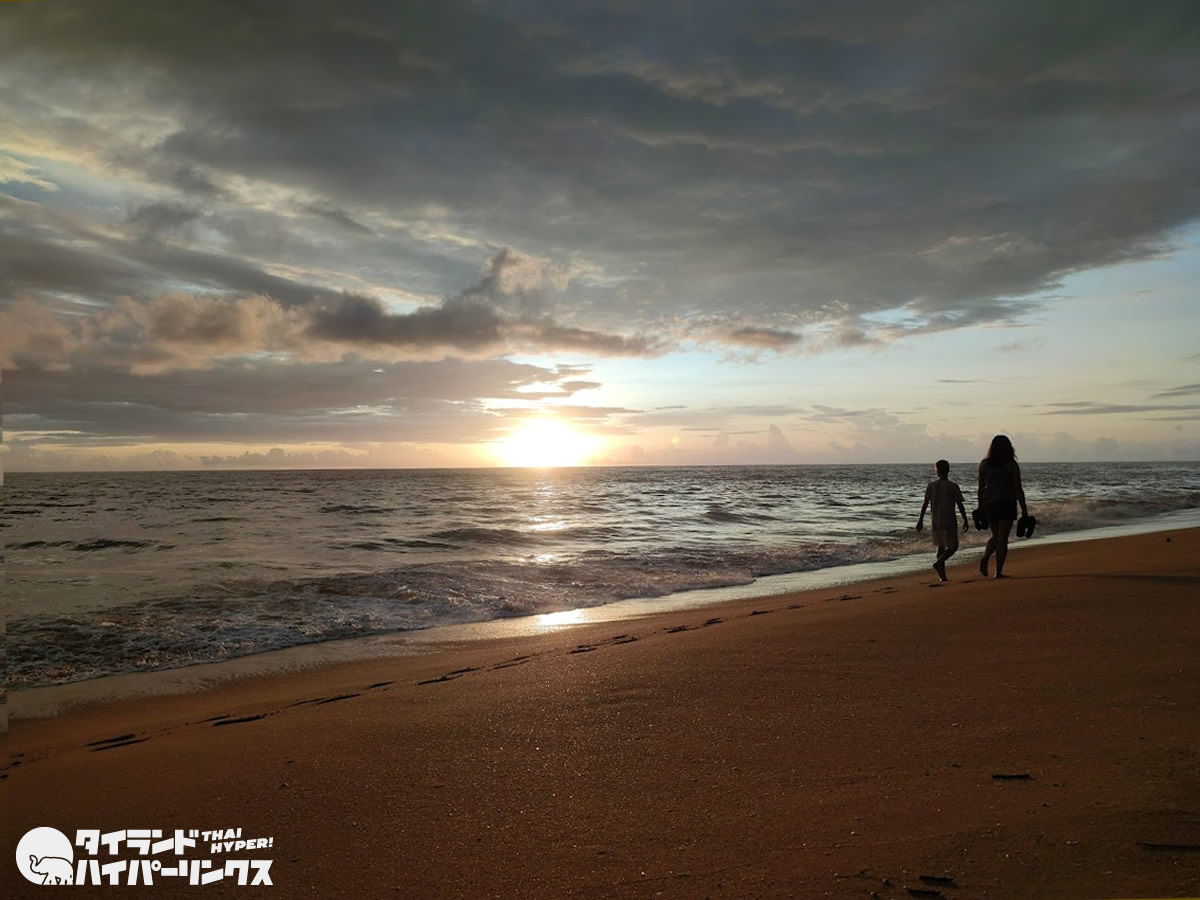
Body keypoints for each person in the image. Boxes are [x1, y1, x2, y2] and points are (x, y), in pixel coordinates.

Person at [977, 434, 1028, 578]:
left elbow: (980, 488)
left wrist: (980, 506)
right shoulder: (1011, 464)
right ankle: (998, 571)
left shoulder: (985, 464)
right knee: (1002, 539)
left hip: (990, 504)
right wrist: (1024, 509)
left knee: (996, 536)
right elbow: (1018, 488)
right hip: (1006, 503)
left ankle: (986, 557)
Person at [916, 459, 970, 581]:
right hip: (949, 520)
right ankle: (939, 563)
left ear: (937, 471)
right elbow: (960, 504)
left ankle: (943, 576)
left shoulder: (931, 486)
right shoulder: (953, 486)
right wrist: (965, 519)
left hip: (935, 520)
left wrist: (920, 520)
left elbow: (925, 504)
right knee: (953, 546)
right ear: (948, 471)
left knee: (940, 546)